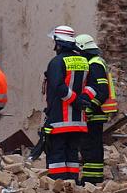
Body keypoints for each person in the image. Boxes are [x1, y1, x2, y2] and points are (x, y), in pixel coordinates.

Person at [44, 25, 89, 181]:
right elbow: (89, 85)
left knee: (57, 152)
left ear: (58, 43)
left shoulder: (57, 62)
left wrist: (74, 100)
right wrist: (82, 101)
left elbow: (58, 87)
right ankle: (72, 184)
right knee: (72, 153)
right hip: (78, 120)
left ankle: (59, 186)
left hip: (60, 117)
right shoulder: (84, 61)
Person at [75, 34, 117, 184]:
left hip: (95, 113)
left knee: (90, 146)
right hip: (95, 113)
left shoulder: (95, 65)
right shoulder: (96, 62)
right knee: (91, 145)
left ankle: (91, 178)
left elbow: (102, 90)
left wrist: (91, 107)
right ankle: (92, 177)